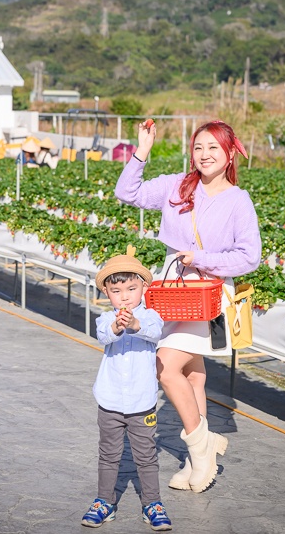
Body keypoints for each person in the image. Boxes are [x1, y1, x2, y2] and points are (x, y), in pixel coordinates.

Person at [115, 120, 261, 493]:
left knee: (165, 367)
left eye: (213, 147)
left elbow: (250, 257)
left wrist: (201, 258)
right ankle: (198, 457)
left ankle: (201, 447)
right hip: (173, 293)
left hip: (208, 296)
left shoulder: (238, 200)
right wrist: (142, 150)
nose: (204, 154)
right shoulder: (176, 186)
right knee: (193, 375)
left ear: (230, 153)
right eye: (198, 147)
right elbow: (126, 192)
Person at [81, 246, 172, 531]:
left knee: (146, 455)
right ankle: (104, 501)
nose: (125, 297)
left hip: (142, 403)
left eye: (131, 289)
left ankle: (152, 503)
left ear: (144, 287)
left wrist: (133, 324)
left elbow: (154, 333)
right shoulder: (105, 319)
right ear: (106, 293)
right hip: (109, 401)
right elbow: (103, 336)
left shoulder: (151, 317)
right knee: (109, 454)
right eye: (117, 291)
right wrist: (118, 327)